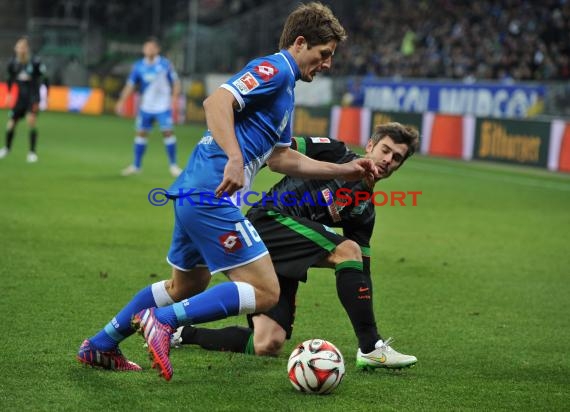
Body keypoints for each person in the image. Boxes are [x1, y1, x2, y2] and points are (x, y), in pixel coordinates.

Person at [77, 2, 377, 381]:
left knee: (186, 284)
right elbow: (216, 101)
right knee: (265, 291)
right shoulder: (274, 69)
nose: (328, 63)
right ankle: (164, 322)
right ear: (300, 43)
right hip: (212, 193)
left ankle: (100, 345)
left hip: (194, 193)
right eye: (324, 54)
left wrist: (344, 169)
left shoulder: (285, 92)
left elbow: (283, 159)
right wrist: (234, 158)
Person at [171, 123, 420, 370]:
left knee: (267, 342)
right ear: (370, 145)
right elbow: (278, 151)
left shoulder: (364, 212)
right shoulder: (336, 152)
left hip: (290, 246)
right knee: (347, 249)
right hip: (270, 220)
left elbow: (361, 273)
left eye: (396, 158)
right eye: (385, 150)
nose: (388, 160)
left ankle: (181, 332)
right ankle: (371, 347)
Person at [115, 37, 182, 177]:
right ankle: (136, 166)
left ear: (157, 49)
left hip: (163, 106)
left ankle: (173, 166)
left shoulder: (165, 65)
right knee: (141, 134)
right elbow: (130, 85)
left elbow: (175, 82)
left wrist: (175, 99)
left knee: (168, 132)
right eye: (146, 47)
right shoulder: (138, 66)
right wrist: (121, 101)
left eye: (151, 47)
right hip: (146, 107)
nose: (148, 50)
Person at [0, 37, 48, 163]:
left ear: (26, 49)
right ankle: (7, 148)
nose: (20, 50)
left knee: (31, 121)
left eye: (22, 47)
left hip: (33, 97)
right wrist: (9, 93)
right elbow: (9, 79)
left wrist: (45, 95)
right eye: (18, 47)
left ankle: (32, 152)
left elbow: (45, 78)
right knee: (11, 123)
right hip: (20, 98)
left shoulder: (35, 62)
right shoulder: (13, 63)